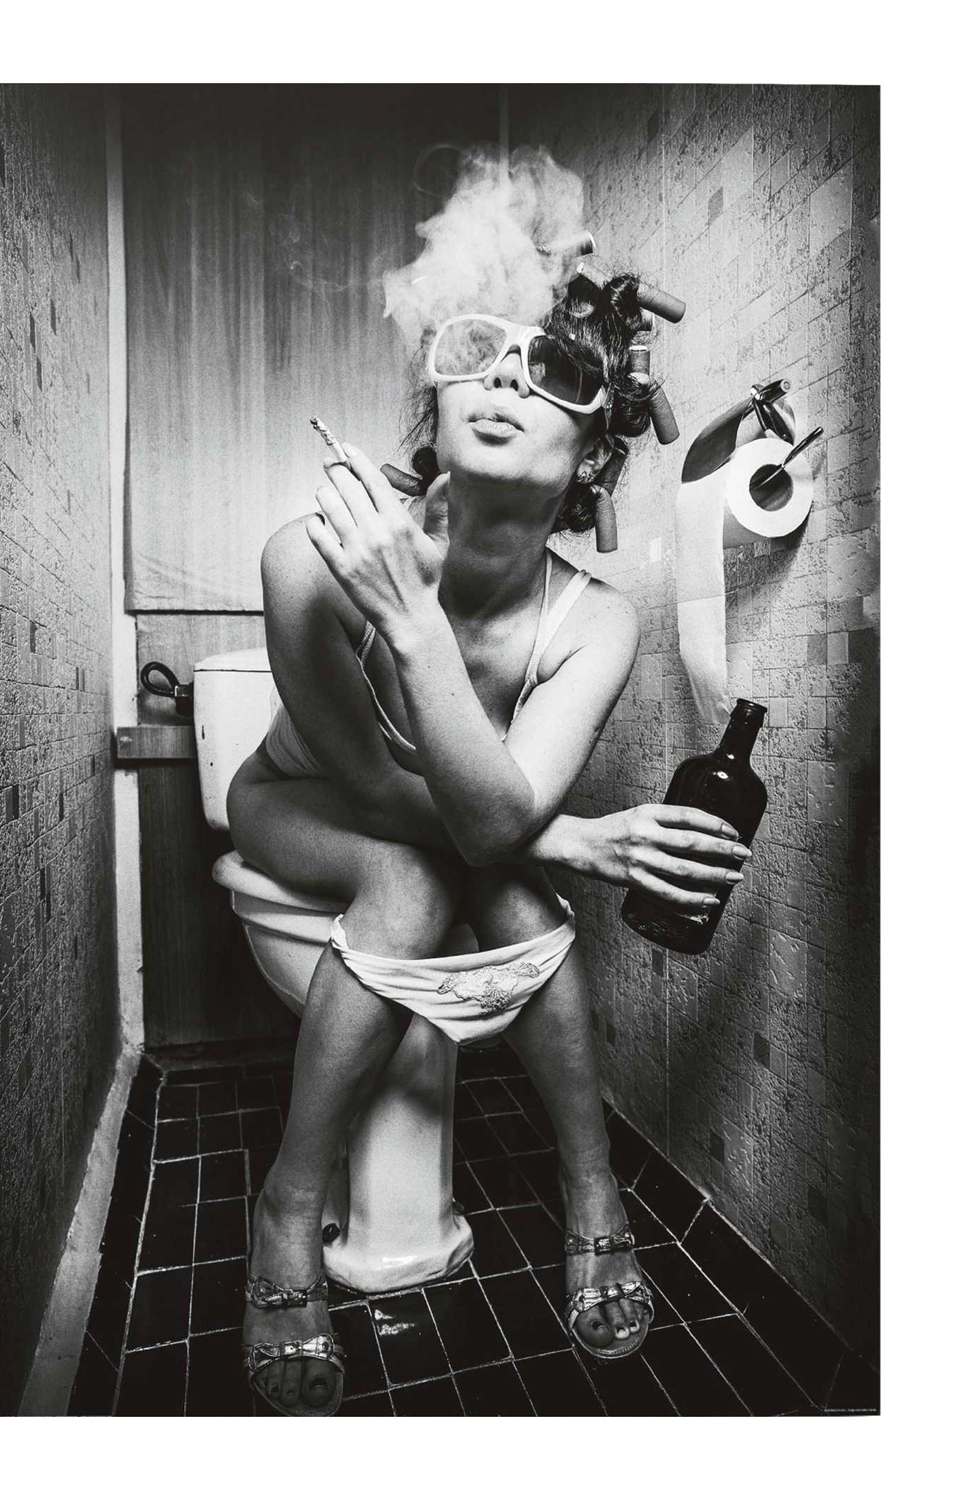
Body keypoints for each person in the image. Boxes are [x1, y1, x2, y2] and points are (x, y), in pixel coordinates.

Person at [227, 274, 750, 1415]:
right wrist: (568, 840)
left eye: (551, 370)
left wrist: (522, 836)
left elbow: (494, 823)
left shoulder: (594, 621)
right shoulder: (309, 561)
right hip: (297, 800)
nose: (508, 374)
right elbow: (377, 791)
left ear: (592, 455)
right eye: (480, 353)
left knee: (505, 890)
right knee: (420, 875)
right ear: (438, 411)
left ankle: (590, 1186)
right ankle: (286, 1208)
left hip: (447, 823)